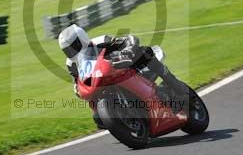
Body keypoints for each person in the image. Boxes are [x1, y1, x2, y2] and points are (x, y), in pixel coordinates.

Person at [58, 24, 189, 128]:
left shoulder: (100, 41)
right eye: (67, 50)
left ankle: (176, 85)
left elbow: (129, 40)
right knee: (98, 118)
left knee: (145, 52)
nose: (71, 52)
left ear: (82, 38)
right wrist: (77, 88)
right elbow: (76, 79)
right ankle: (125, 119)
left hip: (125, 68)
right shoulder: (71, 64)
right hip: (101, 81)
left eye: (73, 47)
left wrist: (127, 50)